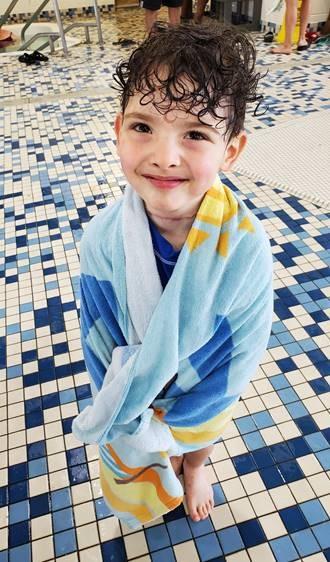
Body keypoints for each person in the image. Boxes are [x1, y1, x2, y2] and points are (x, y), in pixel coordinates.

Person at [72, 22, 273, 528]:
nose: (164, 156)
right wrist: (134, 409)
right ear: (118, 130)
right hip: (143, 392)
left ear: (230, 150)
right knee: (151, 440)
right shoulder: (103, 239)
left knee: (203, 432)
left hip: (205, 391)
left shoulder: (243, 248)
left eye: (196, 134)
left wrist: (185, 421)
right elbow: (98, 336)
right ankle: (165, 456)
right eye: (143, 127)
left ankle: (195, 466)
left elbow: (243, 349)